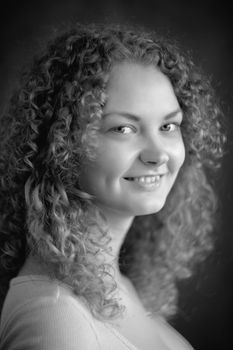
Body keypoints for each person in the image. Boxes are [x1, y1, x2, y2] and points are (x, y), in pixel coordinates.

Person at [0, 22, 225, 350]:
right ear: (61, 144)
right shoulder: (54, 318)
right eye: (123, 129)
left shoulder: (115, 283)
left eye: (168, 125)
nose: (159, 153)